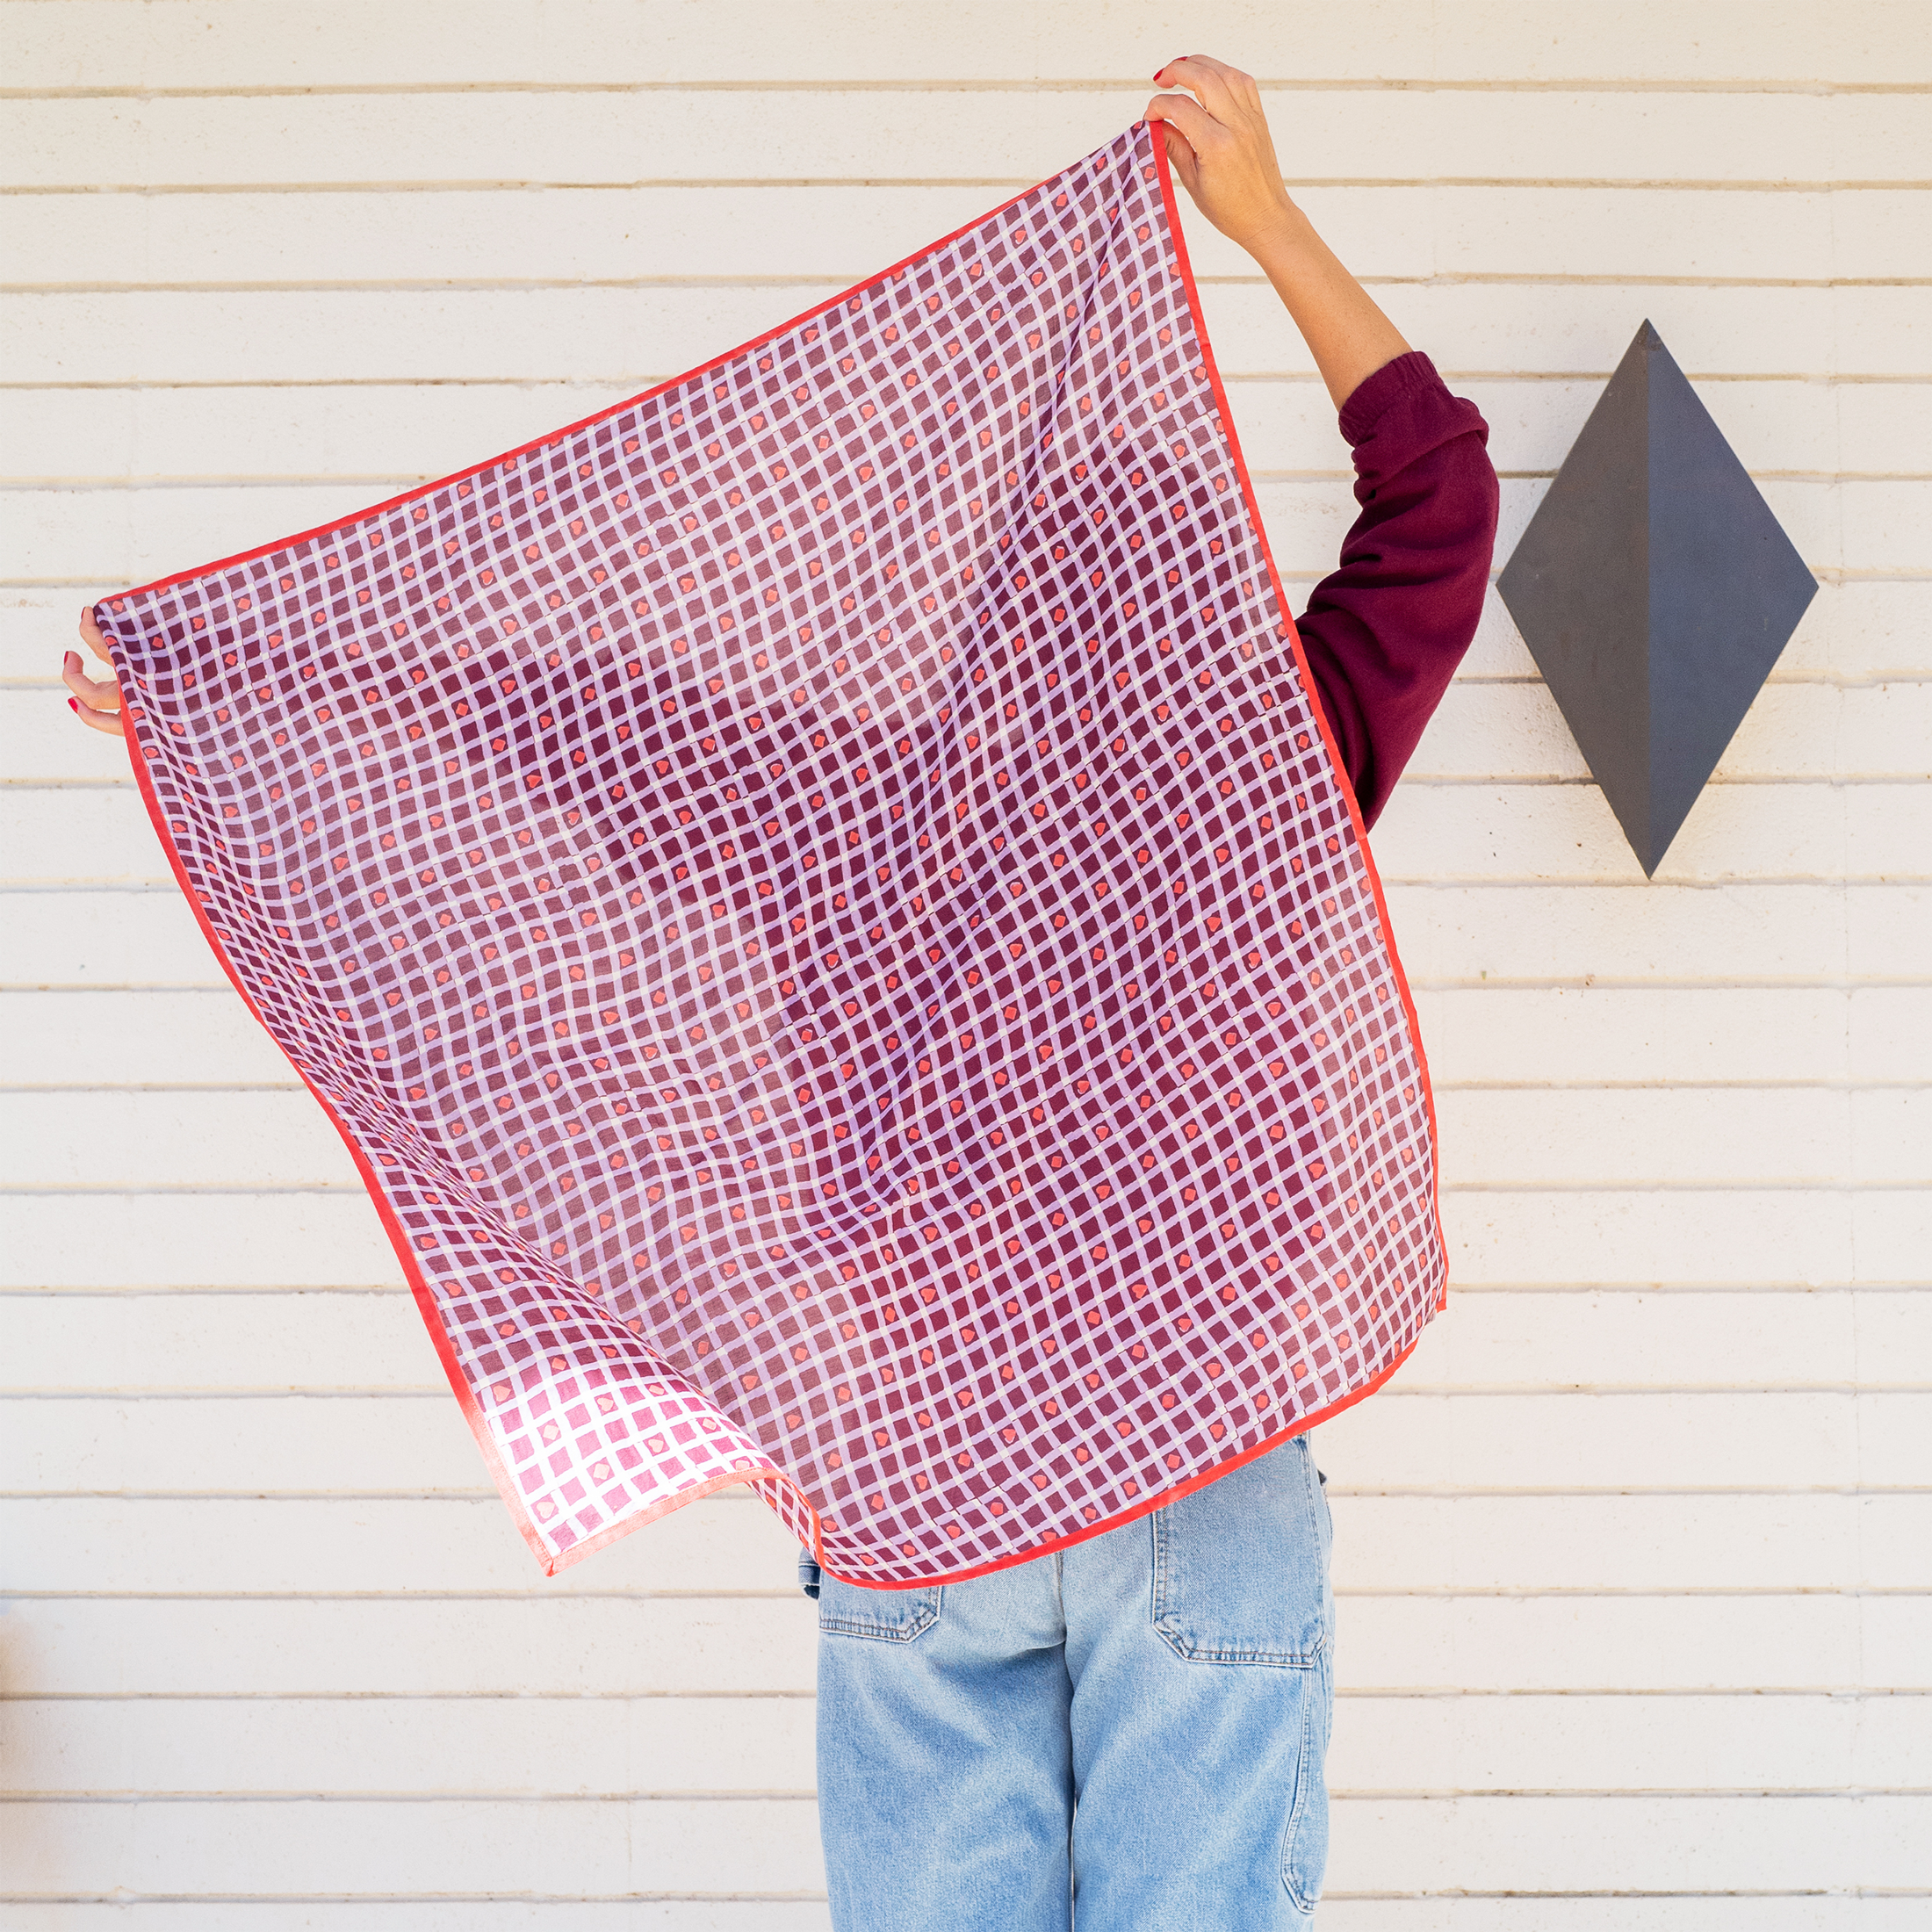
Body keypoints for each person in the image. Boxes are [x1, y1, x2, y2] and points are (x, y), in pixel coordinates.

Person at [63, 54, 1497, 1932]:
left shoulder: (855, 812)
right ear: (1191, 624)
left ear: (991, 629)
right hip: (1202, 1453)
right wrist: (1266, 220)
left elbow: (583, 727)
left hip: (931, 1469)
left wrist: (243, 687)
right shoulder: (1262, 769)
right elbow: (1436, 502)